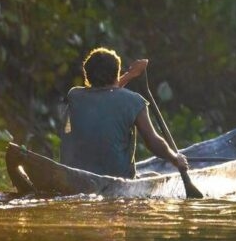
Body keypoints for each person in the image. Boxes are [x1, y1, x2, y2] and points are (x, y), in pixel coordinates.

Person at [59, 47, 188, 177]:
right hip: (117, 179)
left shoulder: (75, 96)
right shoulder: (134, 101)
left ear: (87, 75)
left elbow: (105, 91)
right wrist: (176, 159)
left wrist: (131, 75)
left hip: (74, 177)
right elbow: (152, 140)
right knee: (154, 176)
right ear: (117, 72)